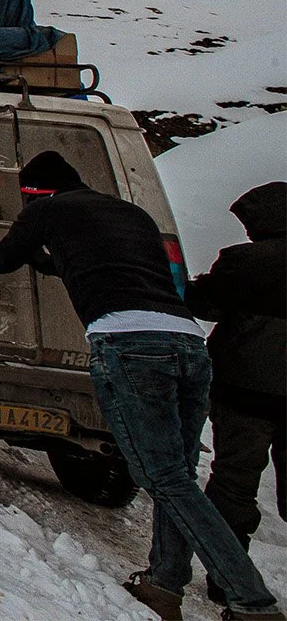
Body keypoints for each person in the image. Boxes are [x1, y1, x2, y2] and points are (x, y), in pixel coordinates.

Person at [0, 152, 282, 621]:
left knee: (165, 478)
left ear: (34, 192)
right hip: (188, 344)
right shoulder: (131, 213)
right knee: (178, 475)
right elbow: (106, 265)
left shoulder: (45, 210)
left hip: (130, 343)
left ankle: (252, 601)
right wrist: (49, 261)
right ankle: (163, 587)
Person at [188, 182, 286, 607]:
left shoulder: (243, 261)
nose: (246, 231)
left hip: (244, 394)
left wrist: (195, 285)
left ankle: (228, 577)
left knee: (233, 484)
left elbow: (204, 305)